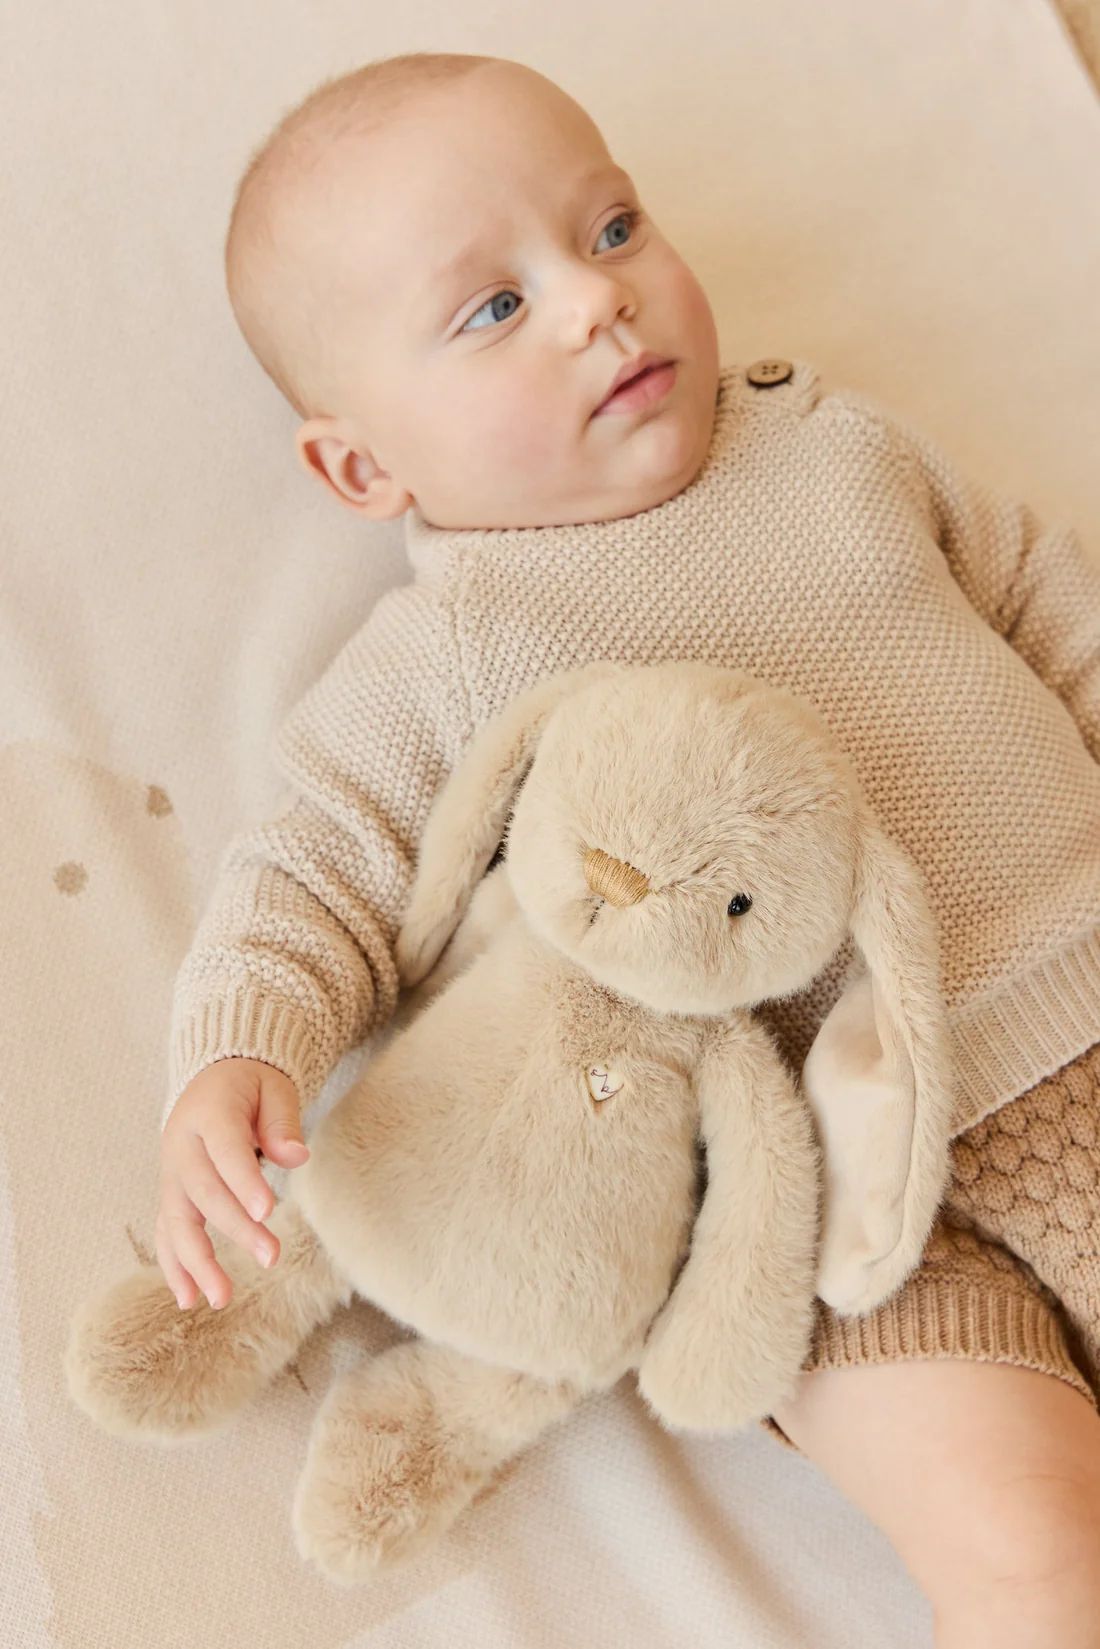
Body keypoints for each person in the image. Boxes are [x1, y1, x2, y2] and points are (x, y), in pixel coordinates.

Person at [157, 51, 1100, 1642]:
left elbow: (1043, 604)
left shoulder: (836, 449)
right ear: (363, 464)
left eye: (612, 231)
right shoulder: (446, 656)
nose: (599, 301)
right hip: (826, 1215)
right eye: (493, 308)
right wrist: (240, 1048)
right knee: (1027, 1540)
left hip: (1078, 994)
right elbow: (315, 865)